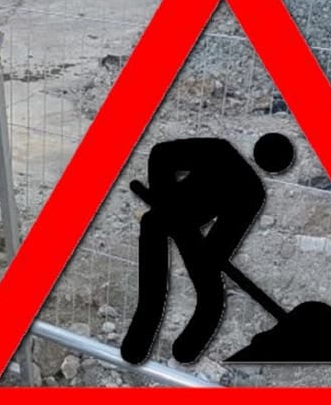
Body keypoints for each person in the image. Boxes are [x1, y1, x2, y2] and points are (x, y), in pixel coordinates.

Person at [121, 133, 294, 364]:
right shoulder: (220, 153)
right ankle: (138, 346)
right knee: (154, 285)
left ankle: (185, 352)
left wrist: (207, 253)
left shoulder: (251, 192)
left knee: (211, 297)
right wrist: (165, 201)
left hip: (189, 227)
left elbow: (222, 243)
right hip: (165, 216)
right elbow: (161, 154)